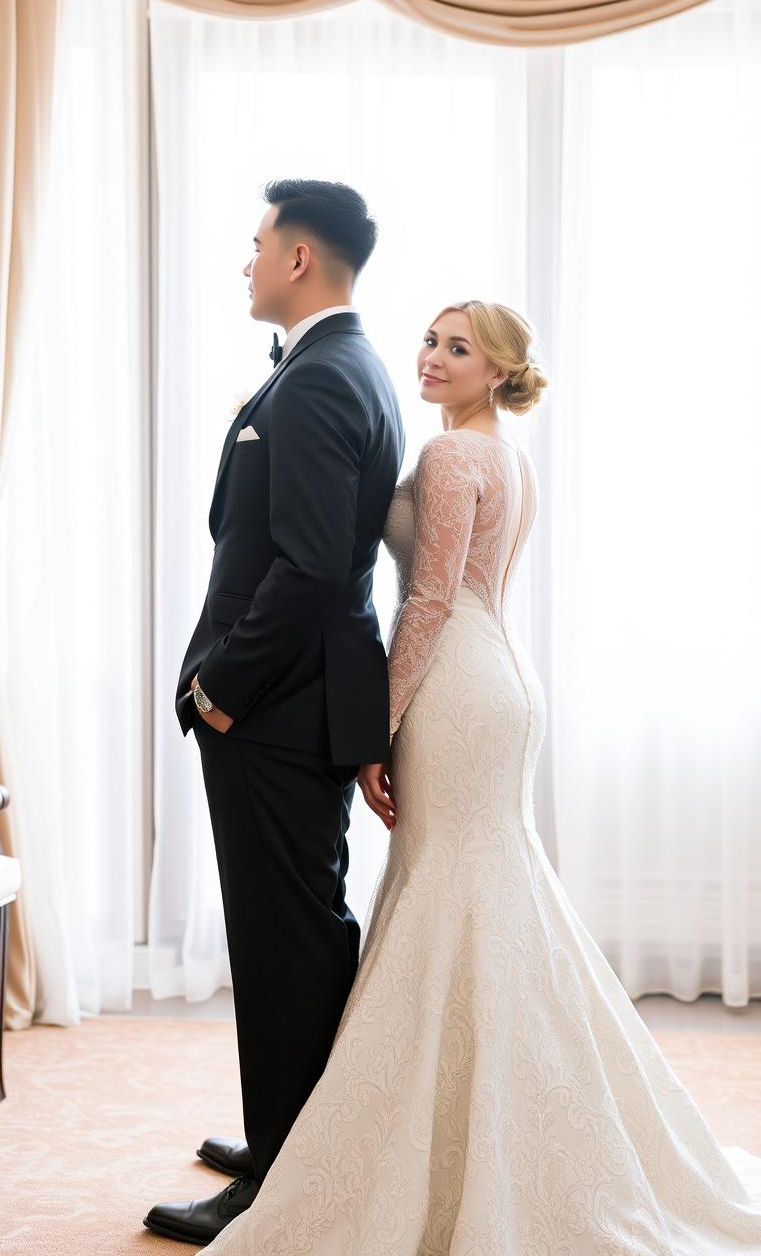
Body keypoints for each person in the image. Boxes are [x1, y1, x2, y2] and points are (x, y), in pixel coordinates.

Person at [186, 299, 761, 1253]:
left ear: (499, 372)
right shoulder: (502, 453)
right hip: (495, 676)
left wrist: (378, 726)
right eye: (432, 339)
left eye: (460, 349)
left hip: (456, 685)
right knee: (486, 890)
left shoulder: (456, 456)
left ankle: (447, 1125)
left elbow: (432, 598)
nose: (434, 357)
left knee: (453, 888)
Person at [143, 179, 405, 1247]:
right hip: (300, 704)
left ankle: (284, 1182)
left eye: (255, 244)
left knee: (287, 936)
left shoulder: (320, 380)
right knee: (291, 932)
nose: (244, 260)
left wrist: (218, 691)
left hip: (277, 712)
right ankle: (288, 1135)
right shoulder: (337, 368)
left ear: (299, 258)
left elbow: (303, 569)